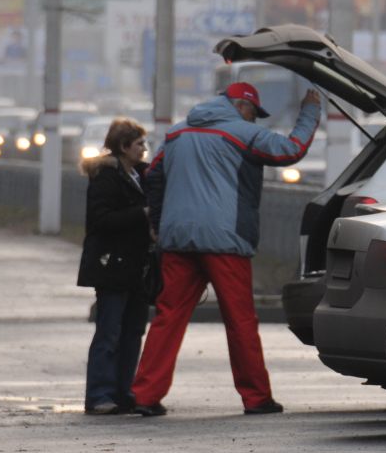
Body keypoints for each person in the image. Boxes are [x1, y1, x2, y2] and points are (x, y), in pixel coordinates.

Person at [131, 82, 321, 417]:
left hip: (178, 239)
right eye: (254, 113)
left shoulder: (176, 134)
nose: (255, 120)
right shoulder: (244, 134)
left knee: (168, 317)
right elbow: (292, 149)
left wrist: (160, 225)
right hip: (225, 240)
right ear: (242, 107)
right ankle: (256, 396)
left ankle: (145, 395)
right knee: (240, 320)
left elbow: (153, 177)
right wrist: (310, 111)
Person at [77, 118, 152, 415]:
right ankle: (99, 394)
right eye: (139, 144)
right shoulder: (106, 177)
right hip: (111, 265)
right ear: (123, 146)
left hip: (136, 266)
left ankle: (124, 391)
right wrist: (141, 214)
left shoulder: (141, 175)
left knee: (133, 331)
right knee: (108, 332)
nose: (144, 150)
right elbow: (100, 220)